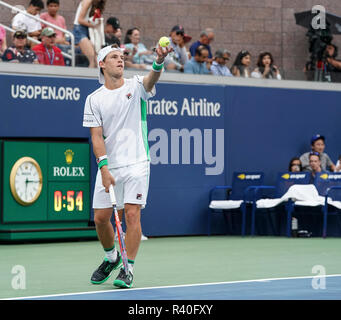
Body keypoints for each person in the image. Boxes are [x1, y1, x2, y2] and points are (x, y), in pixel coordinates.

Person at [82, 43, 171, 288]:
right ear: (102, 64)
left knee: (132, 214)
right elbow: (97, 137)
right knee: (101, 219)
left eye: (121, 57)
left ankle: (128, 268)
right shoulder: (94, 99)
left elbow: (152, 80)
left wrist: (159, 61)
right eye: (114, 57)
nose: (120, 60)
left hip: (137, 162)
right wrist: (104, 168)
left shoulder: (136, 85)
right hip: (110, 166)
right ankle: (112, 257)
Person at [73, 0, 106, 68]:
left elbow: (88, 20)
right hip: (79, 30)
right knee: (92, 59)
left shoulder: (96, 4)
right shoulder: (87, 1)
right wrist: (93, 25)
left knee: (96, 60)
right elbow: (80, 20)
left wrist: (96, 22)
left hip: (88, 30)